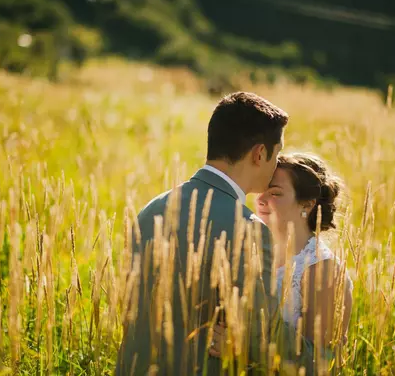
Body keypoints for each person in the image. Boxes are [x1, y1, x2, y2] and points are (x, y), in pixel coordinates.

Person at [115, 91, 289, 375]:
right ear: (259, 153)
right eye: (277, 154)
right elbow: (259, 338)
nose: (276, 165)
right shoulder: (248, 230)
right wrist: (320, 354)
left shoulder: (152, 210)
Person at [210, 153, 354, 374]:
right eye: (261, 192)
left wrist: (240, 351)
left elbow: (320, 365)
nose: (260, 200)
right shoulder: (250, 254)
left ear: (306, 204)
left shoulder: (323, 271)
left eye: (275, 193)